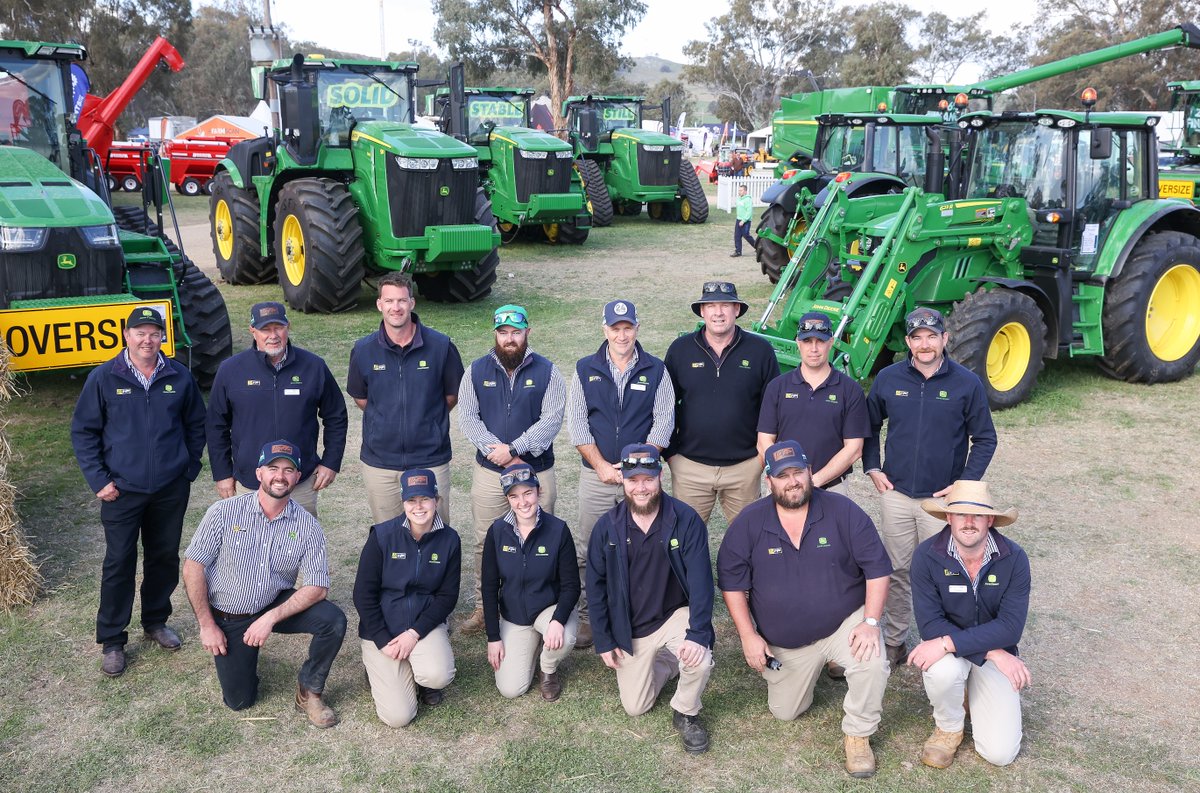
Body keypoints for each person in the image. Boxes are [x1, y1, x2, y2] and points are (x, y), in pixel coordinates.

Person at [717, 440, 893, 778]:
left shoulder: (843, 510)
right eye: (783, 476)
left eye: (798, 472)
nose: (792, 481)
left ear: (810, 472)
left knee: (871, 660)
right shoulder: (749, 522)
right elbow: (732, 583)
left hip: (843, 622)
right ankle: (811, 670)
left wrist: (870, 622)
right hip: (788, 641)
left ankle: (858, 734)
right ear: (769, 480)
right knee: (786, 711)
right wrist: (748, 635)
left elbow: (877, 569)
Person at [70, 306, 206, 677]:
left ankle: (156, 621)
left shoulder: (178, 376)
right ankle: (113, 639)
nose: (148, 340)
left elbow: (196, 424)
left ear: (163, 337)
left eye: (154, 333)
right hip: (121, 491)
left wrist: (187, 468)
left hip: (169, 488)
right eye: (140, 333)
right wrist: (99, 480)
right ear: (126, 336)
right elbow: (84, 432)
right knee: (119, 561)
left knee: (163, 556)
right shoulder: (104, 377)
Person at [863, 307, 997, 669]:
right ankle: (894, 640)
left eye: (932, 336)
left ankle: (941, 643)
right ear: (908, 342)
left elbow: (985, 438)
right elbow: (868, 425)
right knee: (896, 569)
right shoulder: (888, 378)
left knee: (944, 571)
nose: (925, 344)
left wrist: (963, 485)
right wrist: (873, 466)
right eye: (917, 338)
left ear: (945, 339)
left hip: (941, 503)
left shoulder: (966, 383)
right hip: (896, 495)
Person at [182, 440, 347, 727]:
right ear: (259, 473)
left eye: (288, 470)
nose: (280, 476)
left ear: (298, 477)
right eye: (273, 468)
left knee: (333, 621)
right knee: (240, 701)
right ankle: (241, 656)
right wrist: (207, 626)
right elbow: (193, 567)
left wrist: (269, 618)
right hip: (230, 614)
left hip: (272, 602)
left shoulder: (307, 526)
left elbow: (317, 587)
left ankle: (310, 691)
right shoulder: (223, 512)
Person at [585, 444, 714, 754]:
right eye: (633, 480)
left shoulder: (685, 519)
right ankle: (669, 662)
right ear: (623, 480)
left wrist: (698, 633)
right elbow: (595, 587)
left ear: (660, 476)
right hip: (630, 627)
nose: (641, 488)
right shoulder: (607, 527)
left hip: (673, 615)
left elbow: (701, 583)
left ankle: (685, 712)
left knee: (699, 658)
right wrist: (604, 639)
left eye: (648, 479)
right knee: (636, 707)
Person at [566, 299, 674, 648]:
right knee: (590, 548)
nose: (622, 335)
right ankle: (588, 617)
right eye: (616, 328)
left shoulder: (656, 370)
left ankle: (641, 613)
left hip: (641, 479)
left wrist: (636, 468)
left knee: (645, 546)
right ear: (605, 330)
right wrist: (600, 465)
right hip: (595, 477)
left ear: (637, 329)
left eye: (628, 328)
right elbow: (577, 424)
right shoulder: (585, 369)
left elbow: (663, 422)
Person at [457, 304, 566, 634]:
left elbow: (551, 420)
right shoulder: (475, 371)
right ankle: (484, 607)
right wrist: (499, 453)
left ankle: (541, 606)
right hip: (490, 472)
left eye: (516, 332)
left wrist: (515, 449)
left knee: (541, 539)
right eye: (503, 332)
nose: (509, 339)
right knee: (485, 541)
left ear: (527, 332)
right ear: (495, 334)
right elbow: (468, 418)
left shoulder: (549, 372)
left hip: (537, 470)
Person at [909, 480, 1030, 768]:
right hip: (964, 648)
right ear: (948, 517)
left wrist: (953, 643)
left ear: (990, 520)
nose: (969, 522)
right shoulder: (926, 555)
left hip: (975, 646)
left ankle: (971, 692)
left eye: (978, 515)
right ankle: (949, 728)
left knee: (1000, 754)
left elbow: (1010, 627)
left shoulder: (1014, 558)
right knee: (943, 671)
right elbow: (930, 625)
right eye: (961, 514)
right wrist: (993, 652)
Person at [207, 301, 347, 517]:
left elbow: (336, 416)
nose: (273, 335)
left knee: (301, 538)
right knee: (249, 538)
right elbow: (215, 425)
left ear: (288, 327)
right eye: (265, 329)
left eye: (278, 327)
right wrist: (222, 473)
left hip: (299, 483)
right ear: (252, 330)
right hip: (250, 483)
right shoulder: (230, 370)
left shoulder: (314, 366)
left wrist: (331, 462)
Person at [347, 273, 465, 525]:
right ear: (379, 304)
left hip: (430, 460)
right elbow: (361, 397)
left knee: (435, 533)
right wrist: (387, 420)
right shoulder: (363, 350)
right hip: (381, 463)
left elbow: (452, 395)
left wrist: (426, 419)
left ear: (412, 302)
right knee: (389, 536)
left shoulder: (441, 346)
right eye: (389, 301)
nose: (396, 307)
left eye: (402, 300)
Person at [353, 468, 461, 727]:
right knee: (398, 717)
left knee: (438, 675)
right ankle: (378, 667)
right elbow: (363, 594)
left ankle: (422, 678)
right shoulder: (382, 536)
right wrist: (382, 640)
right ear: (403, 502)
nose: (418, 507)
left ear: (437, 500)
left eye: (425, 499)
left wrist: (414, 633)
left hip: (423, 625)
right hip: (384, 629)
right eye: (411, 500)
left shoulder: (450, 539)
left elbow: (447, 596)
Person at [664, 281, 778, 525]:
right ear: (702, 311)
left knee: (749, 537)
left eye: (725, 305)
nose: (718, 312)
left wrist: (760, 459)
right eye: (711, 306)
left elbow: (773, 407)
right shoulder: (680, 350)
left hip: (745, 467)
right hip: (690, 468)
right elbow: (664, 405)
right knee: (685, 538)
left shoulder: (760, 350)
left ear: (737, 309)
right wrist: (672, 455)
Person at [481, 463, 579, 701]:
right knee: (511, 689)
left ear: (538, 491)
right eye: (514, 496)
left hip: (549, 609)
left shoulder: (558, 530)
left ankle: (548, 669)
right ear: (507, 499)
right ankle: (533, 643)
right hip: (515, 616)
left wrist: (558, 620)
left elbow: (571, 585)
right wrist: (493, 637)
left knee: (564, 637)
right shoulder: (497, 531)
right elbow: (489, 587)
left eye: (528, 493)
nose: (522, 502)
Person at [757, 311, 869, 497]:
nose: (814, 348)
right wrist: (788, 478)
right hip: (785, 488)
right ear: (798, 343)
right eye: (807, 341)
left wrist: (812, 482)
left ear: (831, 343)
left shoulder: (850, 390)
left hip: (831, 489)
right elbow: (764, 441)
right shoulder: (777, 387)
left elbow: (854, 449)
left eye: (820, 341)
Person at [731, 183, 755, 257]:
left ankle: (757, 247)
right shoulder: (738, 199)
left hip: (746, 221)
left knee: (746, 235)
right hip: (738, 220)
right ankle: (738, 251)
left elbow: (749, 212)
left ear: (745, 191)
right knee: (737, 236)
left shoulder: (748, 200)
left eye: (741, 190)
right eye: (739, 190)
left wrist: (743, 220)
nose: (739, 192)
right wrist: (739, 219)